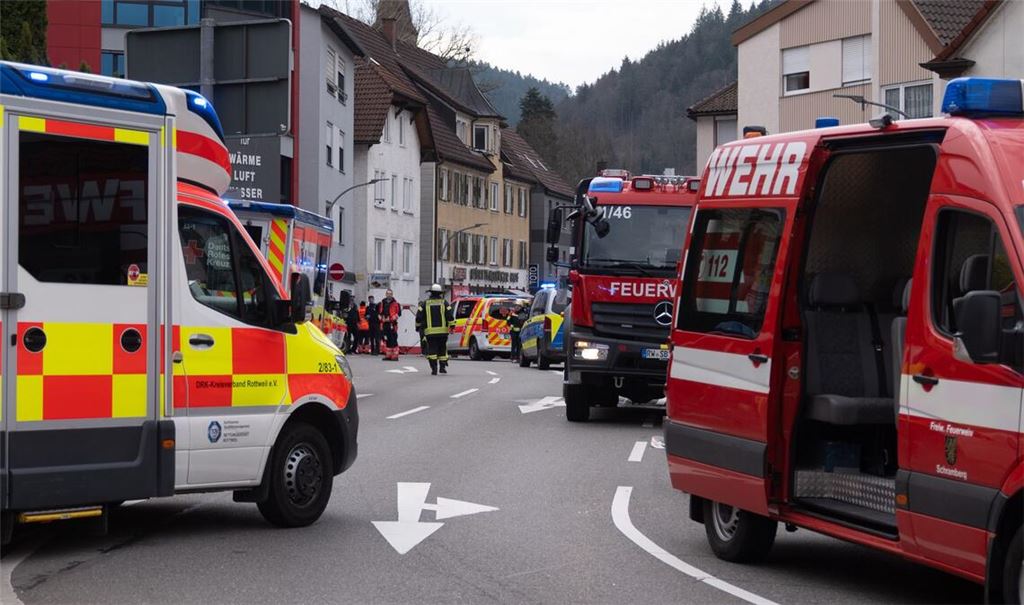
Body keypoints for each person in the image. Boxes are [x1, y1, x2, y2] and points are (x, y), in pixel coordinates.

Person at [416, 284, 453, 375]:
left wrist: (418, 327)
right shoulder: (444, 303)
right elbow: (450, 316)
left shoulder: (424, 303)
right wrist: (452, 326)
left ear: (431, 293)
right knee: (442, 349)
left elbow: (418, 317)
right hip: (443, 333)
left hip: (430, 333)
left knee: (432, 350)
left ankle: (434, 369)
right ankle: (442, 367)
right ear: (440, 293)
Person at [378, 288, 402, 361]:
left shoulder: (396, 304)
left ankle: (395, 356)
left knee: (393, 339)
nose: (389, 295)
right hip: (384, 323)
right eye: (387, 293)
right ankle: (388, 355)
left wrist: (391, 319)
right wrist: (381, 318)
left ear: (392, 295)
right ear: (386, 294)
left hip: (392, 324)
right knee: (387, 339)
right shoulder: (382, 302)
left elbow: (398, 314)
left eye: (390, 294)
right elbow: (380, 312)